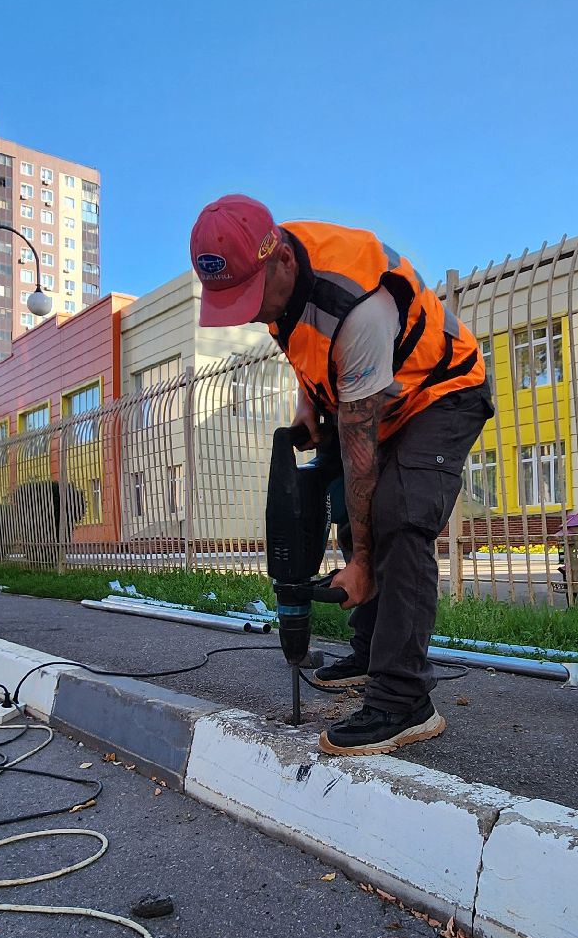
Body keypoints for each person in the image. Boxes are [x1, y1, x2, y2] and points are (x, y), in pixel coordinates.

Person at [190, 194, 492, 756]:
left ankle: (404, 700)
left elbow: (360, 454)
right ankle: (371, 652)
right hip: (378, 396)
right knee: (353, 509)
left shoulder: (358, 307)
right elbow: (303, 343)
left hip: (440, 391)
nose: (251, 313)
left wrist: (361, 562)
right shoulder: (271, 274)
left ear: (282, 259)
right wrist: (308, 401)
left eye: (252, 298)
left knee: (397, 516)